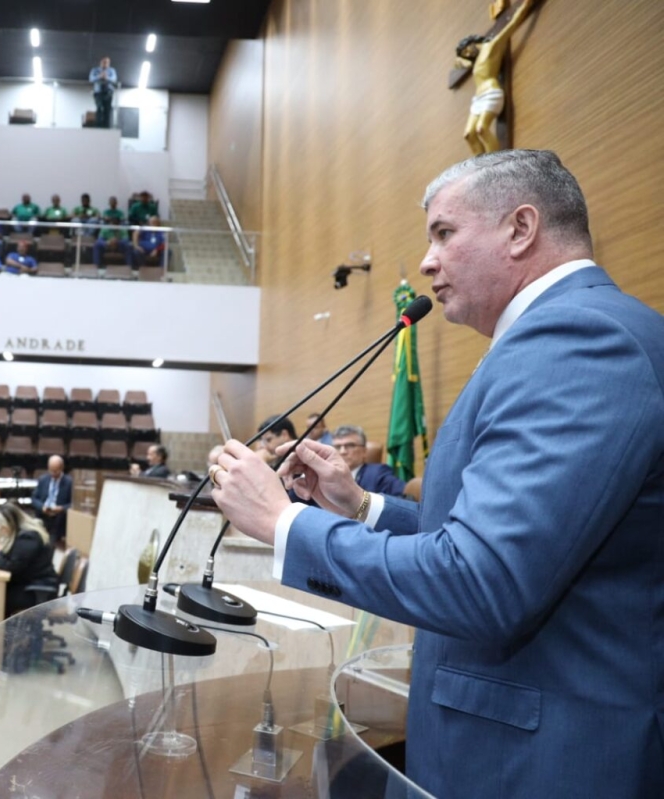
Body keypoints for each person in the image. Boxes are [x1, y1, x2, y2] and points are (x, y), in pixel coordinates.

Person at [210, 149, 664, 799]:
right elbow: (513, 543)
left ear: (520, 228)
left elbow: (485, 582)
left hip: (540, 765)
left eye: (444, 233)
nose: (427, 261)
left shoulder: (581, 341)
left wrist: (286, 523)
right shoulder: (564, 336)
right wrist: (362, 506)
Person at [456, 0, 537, 155]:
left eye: (466, 50)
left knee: (481, 129)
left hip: (490, 91)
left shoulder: (491, 46)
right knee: (469, 134)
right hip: (478, 98)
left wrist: (525, 6)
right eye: (464, 54)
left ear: (473, 43)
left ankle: (494, 163)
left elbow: (511, 24)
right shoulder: (475, 62)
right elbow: (458, 66)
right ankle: (480, 170)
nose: (467, 55)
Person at [0, 503, 59, 617]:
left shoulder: (28, 537)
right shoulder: (23, 534)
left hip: (37, 591)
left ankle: (5, 632)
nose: (0, 528)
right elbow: (11, 556)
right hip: (30, 584)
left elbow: (14, 566)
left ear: (10, 523)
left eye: (1, 525)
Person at [330, 425, 406, 498]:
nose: (342, 451)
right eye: (337, 447)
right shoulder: (327, 475)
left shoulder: (378, 473)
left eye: (350, 445)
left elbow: (402, 499)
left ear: (364, 451)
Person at [30, 455, 72, 546]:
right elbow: (34, 499)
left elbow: (73, 504)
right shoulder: (43, 479)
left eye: (55, 471)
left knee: (51, 543)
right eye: (51, 470)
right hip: (43, 515)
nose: (53, 473)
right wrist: (42, 507)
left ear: (62, 469)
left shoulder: (69, 482)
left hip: (58, 518)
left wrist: (62, 508)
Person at [89, 56, 118, 129]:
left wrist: (106, 77)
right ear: (101, 62)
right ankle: (98, 126)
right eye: (104, 62)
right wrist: (99, 76)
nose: (105, 64)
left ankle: (106, 127)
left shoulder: (112, 70)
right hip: (98, 92)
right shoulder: (95, 70)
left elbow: (114, 79)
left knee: (107, 109)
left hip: (108, 92)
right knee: (99, 108)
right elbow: (91, 79)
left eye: (107, 62)